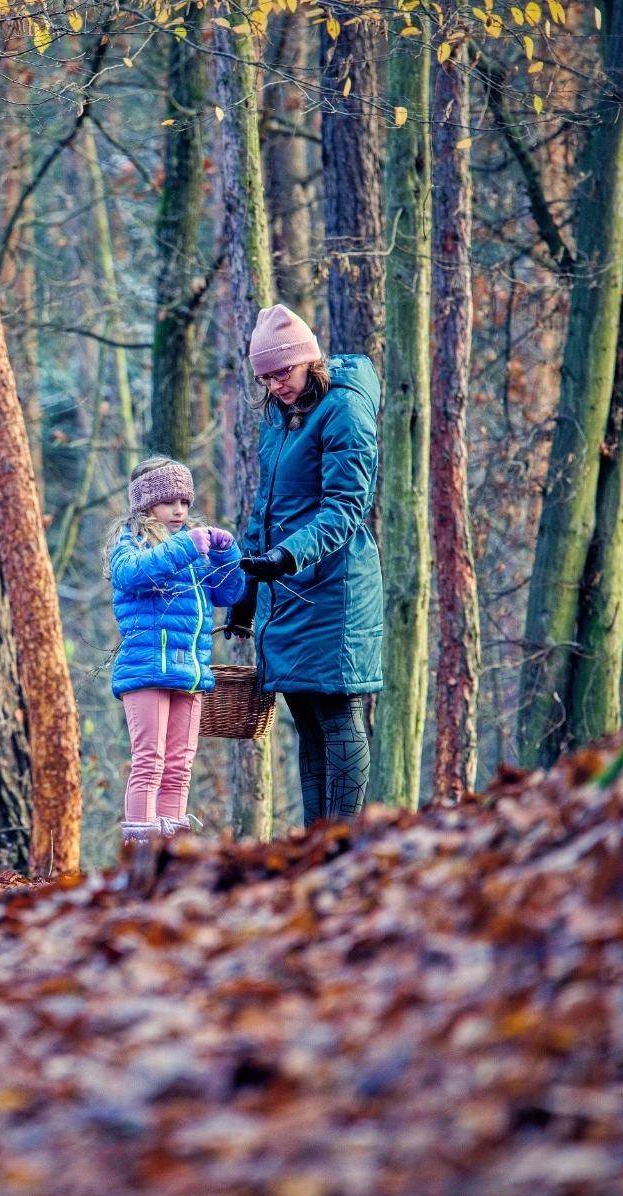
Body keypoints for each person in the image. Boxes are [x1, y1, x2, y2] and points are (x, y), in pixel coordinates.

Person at [228, 304, 383, 821]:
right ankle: (315, 846)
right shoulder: (277, 417)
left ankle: (343, 846)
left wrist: (288, 554)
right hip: (286, 591)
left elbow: (347, 507)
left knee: (338, 719)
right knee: (308, 725)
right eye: (266, 378)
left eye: (283, 372)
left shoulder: (344, 408)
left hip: (335, 588)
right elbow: (265, 508)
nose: (276, 386)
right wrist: (247, 594)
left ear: (308, 360)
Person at [107, 457, 246, 847]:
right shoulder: (130, 542)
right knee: (149, 762)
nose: (179, 510)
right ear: (146, 504)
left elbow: (229, 593)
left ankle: (172, 855)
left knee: (179, 767)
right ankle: (141, 855)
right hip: (147, 669)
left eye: (184, 502)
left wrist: (226, 554)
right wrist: (187, 546)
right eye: (169, 502)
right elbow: (132, 575)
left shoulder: (192, 548)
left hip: (190, 671)